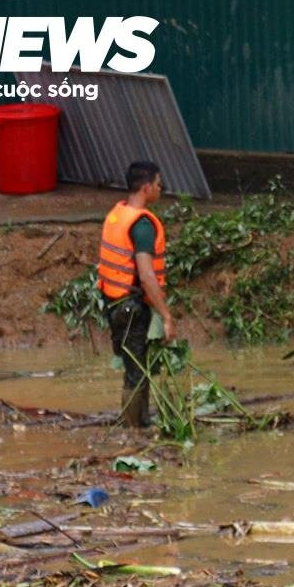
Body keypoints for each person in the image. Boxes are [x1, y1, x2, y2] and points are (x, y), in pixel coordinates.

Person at [97, 160, 174, 427]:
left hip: (114, 304)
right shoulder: (142, 226)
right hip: (131, 308)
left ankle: (139, 423)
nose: (161, 188)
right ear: (146, 187)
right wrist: (165, 316)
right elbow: (146, 275)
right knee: (136, 372)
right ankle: (133, 432)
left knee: (135, 368)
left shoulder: (117, 214)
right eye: (158, 184)